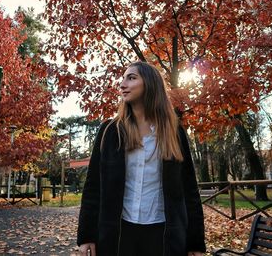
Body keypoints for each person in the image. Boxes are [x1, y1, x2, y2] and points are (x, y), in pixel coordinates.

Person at [77, 61, 206, 256]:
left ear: (150, 84)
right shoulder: (110, 132)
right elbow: (93, 187)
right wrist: (87, 235)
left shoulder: (174, 132)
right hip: (118, 234)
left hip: (164, 235)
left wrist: (195, 242)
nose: (122, 84)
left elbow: (189, 190)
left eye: (131, 78)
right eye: (123, 78)